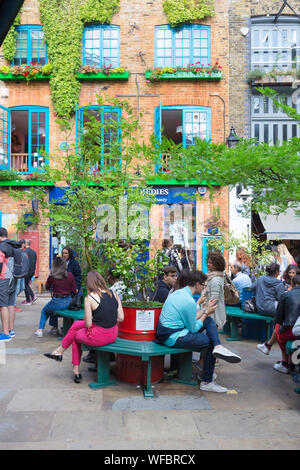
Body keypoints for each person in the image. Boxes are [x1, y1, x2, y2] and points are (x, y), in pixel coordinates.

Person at [156, 270, 241, 393]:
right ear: (197, 284)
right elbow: (193, 328)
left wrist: (206, 309)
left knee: (209, 322)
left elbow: (190, 318)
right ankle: (207, 381)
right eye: (203, 285)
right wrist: (206, 312)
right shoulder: (188, 301)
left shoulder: (179, 293)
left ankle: (218, 347)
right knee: (209, 341)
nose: (204, 288)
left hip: (169, 332)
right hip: (172, 337)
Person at [44, 271, 124, 383]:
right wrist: (105, 319)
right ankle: (59, 351)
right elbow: (120, 317)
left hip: (99, 336)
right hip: (113, 333)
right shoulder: (113, 293)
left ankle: (75, 370)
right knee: (76, 324)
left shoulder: (90, 298)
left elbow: (88, 324)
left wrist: (99, 321)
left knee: (75, 336)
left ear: (89, 284)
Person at [35, 257, 77, 337]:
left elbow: (47, 287)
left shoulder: (52, 276)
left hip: (57, 301)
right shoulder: (70, 275)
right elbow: (74, 290)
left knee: (45, 310)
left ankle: (40, 330)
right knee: (52, 308)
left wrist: (49, 276)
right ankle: (55, 328)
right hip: (68, 301)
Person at [272, 273, 300, 374]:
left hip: (290, 330)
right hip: (297, 332)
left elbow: (279, 318)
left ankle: (285, 363)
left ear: (293, 283)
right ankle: (291, 362)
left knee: (279, 334)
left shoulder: (286, 295)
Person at [0, 227, 18, 342]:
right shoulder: (13, 245)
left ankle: (5, 333)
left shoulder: (1, 246)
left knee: (3, 305)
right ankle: (11, 330)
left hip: (4, 278)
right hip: (14, 277)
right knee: (11, 304)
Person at [205, 252, 226, 329]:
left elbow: (214, 299)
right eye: (207, 262)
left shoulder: (215, 279)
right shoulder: (212, 276)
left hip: (214, 313)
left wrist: (206, 312)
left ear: (217, 264)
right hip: (211, 311)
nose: (207, 264)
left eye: (210, 263)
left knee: (212, 332)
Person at [21, 239, 37, 305]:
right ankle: (31, 298)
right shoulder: (34, 252)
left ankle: (30, 299)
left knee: (25, 285)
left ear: (25, 244)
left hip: (26, 271)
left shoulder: (24, 252)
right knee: (26, 284)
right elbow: (35, 261)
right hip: (32, 271)